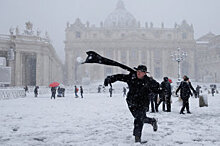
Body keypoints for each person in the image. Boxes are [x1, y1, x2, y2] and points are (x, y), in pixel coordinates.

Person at [104, 65, 159, 143]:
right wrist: (110, 78)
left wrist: (162, 91)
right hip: (131, 102)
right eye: (137, 72)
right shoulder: (131, 77)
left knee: (139, 119)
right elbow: (120, 77)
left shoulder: (149, 81)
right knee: (140, 118)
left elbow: (158, 88)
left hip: (143, 103)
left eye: (140, 72)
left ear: (144, 73)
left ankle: (137, 139)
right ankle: (152, 121)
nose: (138, 73)